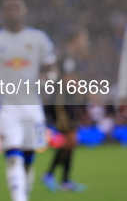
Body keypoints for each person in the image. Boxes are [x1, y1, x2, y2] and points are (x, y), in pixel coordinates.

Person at [0, 0, 56, 201]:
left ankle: (23, 196)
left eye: (16, 8)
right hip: (5, 106)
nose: (12, 13)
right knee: (13, 157)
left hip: (32, 105)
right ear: (3, 14)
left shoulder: (39, 38)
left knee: (28, 159)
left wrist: (47, 79)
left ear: (24, 12)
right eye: (8, 9)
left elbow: (52, 69)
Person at [42, 27, 88, 193]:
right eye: (83, 38)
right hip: (61, 104)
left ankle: (65, 181)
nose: (85, 42)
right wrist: (86, 91)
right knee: (69, 139)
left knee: (71, 141)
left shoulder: (70, 56)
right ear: (75, 39)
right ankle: (49, 175)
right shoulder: (68, 56)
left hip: (68, 103)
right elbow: (68, 79)